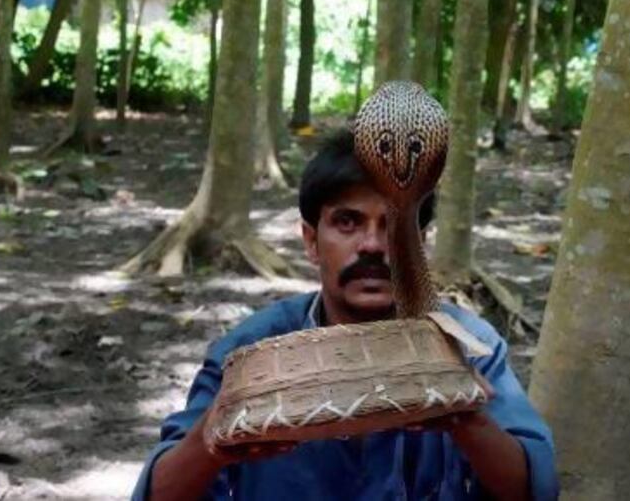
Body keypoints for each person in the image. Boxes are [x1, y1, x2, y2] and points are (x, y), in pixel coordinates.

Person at [131, 129, 559, 500]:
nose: (373, 245)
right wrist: (216, 437)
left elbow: (536, 490)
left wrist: (468, 420)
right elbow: (156, 494)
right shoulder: (249, 352)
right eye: (348, 223)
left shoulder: (466, 345)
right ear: (312, 241)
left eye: (393, 225)